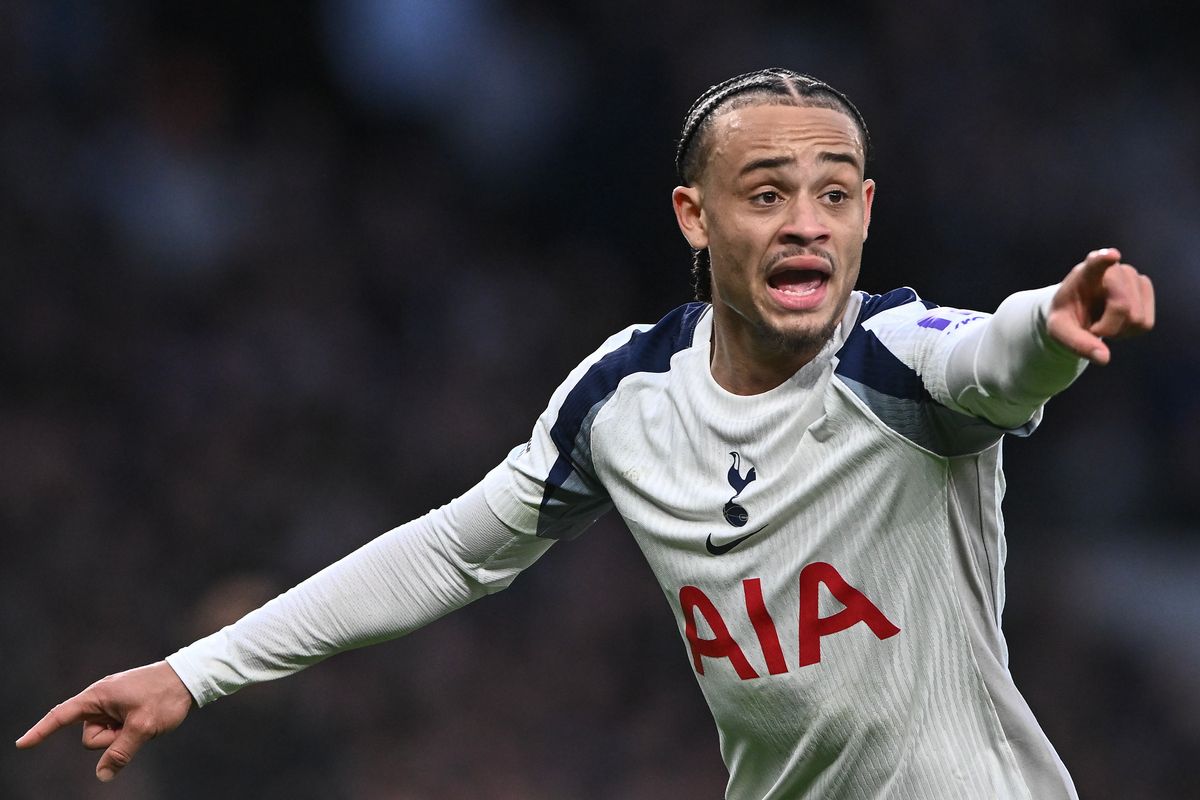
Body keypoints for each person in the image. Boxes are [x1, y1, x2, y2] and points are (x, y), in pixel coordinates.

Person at [17, 68, 1154, 799]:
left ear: (865, 210)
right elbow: (457, 547)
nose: (808, 220)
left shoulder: (900, 362)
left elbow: (991, 355)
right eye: (767, 192)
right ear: (694, 217)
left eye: (836, 192)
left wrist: (1051, 325)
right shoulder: (626, 392)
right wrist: (193, 670)